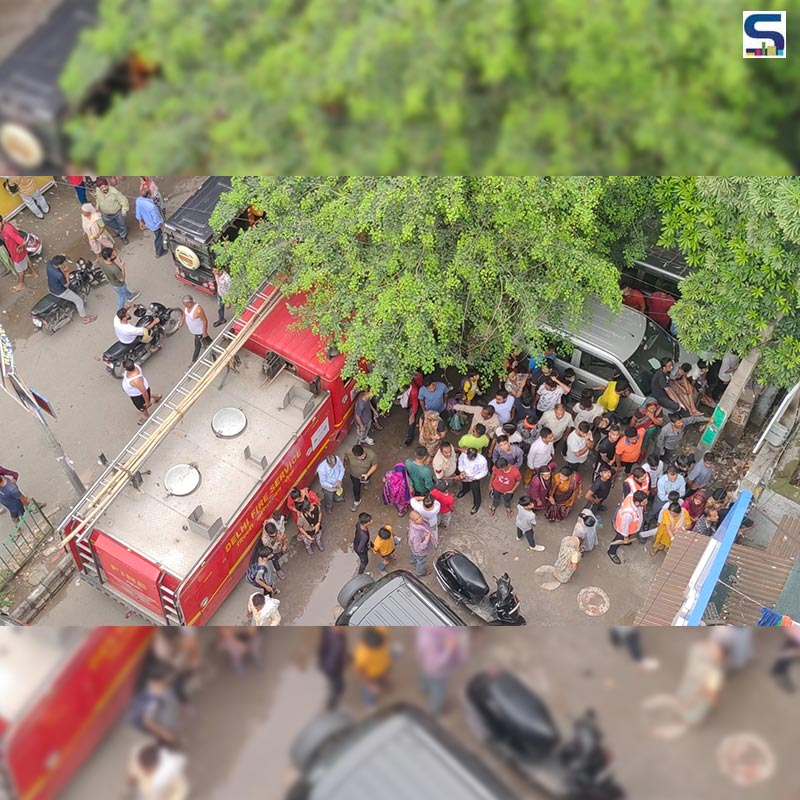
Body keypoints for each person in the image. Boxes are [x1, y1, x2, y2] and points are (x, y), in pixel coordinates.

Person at [415, 628, 469, 715]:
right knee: (438, 692)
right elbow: (437, 664)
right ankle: (434, 710)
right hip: (438, 673)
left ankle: (424, 688)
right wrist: (449, 650)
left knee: (426, 678)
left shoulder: (424, 631)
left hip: (426, 666)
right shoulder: (431, 641)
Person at [128, 669, 179, 747]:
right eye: (166, 678)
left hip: (139, 714)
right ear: (159, 682)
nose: (169, 679)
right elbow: (148, 722)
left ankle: (165, 741)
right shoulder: (153, 701)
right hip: (142, 721)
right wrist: (163, 732)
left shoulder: (151, 685)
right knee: (160, 735)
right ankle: (166, 745)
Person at [352, 627, 393, 708]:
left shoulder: (381, 631)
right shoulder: (362, 655)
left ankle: (385, 683)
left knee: (385, 679)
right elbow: (359, 671)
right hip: (373, 674)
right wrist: (370, 683)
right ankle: (368, 699)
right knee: (373, 690)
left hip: (385, 665)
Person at [607, 490, 648, 564]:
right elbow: (624, 528)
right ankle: (612, 552)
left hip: (630, 528)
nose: (646, 503)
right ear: (637, 502)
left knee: (625, 537)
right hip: (623, 530)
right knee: (619, 540)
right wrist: (625, 538)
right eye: (644, 502)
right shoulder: (628, 514)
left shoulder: (632, 496)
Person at [1, 214, 34, 292]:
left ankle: (21, 284)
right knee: (28, 260)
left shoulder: (7, 231)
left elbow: (23, 242)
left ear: (1, 221)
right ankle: (34, 273)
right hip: (22, 252)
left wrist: (19, 247)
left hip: (17, 254)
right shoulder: (5, 224)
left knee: (20, 271)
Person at [122, 360, 162, 425]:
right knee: (146, 396)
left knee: (142, 405)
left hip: (138, 394)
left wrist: (148, 403)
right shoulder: (135, 367)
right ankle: (157, 396)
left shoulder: (136, 380)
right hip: (139, 391)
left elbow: (144, 392)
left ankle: (145, 415)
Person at [318, 629, 348, 710]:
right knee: (337, 686)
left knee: (338, 686)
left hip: (336, 667)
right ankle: (331, 706)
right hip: (332, 668)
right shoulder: (332, 638)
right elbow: (323, 650)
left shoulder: (341, 636)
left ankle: (332, 703)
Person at [93, 177, 130, 242]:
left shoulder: (114, 192)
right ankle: (118, 231)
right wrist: (97, 206)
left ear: (107, 185)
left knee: (121, 224)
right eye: (102, 188)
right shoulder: (98, 190)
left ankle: (123, 235)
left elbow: (124, 201)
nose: (104, 189)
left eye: (105, 186)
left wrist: (124, 211)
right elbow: (98, 198)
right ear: (99, 188)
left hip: (117, 212)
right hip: (105, 213)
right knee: (110, 223)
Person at [177, 295, 209, 366]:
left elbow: (204, 321)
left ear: (189, 303)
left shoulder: (198, 310)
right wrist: (182, 320)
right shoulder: (187, 307)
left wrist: (204, 332)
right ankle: (207, 342)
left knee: (197, 345)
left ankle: (194, 360)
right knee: (205, 339)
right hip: (194, 330)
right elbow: (185, 313)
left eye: (184, 304)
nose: (184, 305)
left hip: (199, 331)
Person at [455, 447, 489, 514]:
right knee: (464, 484)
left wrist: (475, 477)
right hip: (464, 474)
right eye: (468, 457)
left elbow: (484, 472)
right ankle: (465, 490)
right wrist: (461, 471)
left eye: (472, 458)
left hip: (474, 477)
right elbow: (460, 462)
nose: (470, 459)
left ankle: (476, 504)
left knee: (475, 490)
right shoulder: (463, 454)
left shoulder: (482, 460)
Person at [345, 444, 378, 512]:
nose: (362, 458)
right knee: (356, 487)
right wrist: (345, 465)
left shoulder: (372, 455)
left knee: (366, 480)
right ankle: (357, 500)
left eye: (363, 455)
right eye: (359, 457)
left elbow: (374, 466)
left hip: (366, 473)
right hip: (354, 474)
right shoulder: (349, 452)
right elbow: (346, 458)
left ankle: (367, 482)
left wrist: (367, 474)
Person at [136, 187, 167, 257]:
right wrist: (160, 224)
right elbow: (156, 217)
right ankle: (159, 252)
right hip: (155, 225)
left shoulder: (138, 200)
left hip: (148, 222)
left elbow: (138, 212)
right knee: (159, 237)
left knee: (158, 235)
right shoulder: (152, 206)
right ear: (149, 195)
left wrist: (140, 221)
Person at [407, 510, 436, 577]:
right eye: (417, 519)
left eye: (420, 516)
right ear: (413, 521)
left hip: (413, 547)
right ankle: (419, 573)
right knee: (421, 561)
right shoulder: (416, 534)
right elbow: (417, 548)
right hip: (420, 552)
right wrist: (426, 540)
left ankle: (413, 560)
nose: (420, 519)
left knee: (414, 553)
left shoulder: (415, 523)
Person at [771, 628, 800, 693]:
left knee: (788, 658)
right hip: (794, 638)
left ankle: (778, 670)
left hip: (794, 639)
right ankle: (778, 671)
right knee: (786, 657)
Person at [403, 371, 425, 446]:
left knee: (411, 421)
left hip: (413, 403)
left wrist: (412, 414)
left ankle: (410, 437)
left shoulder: (414, 391)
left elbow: (415, 403)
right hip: (408, 402)